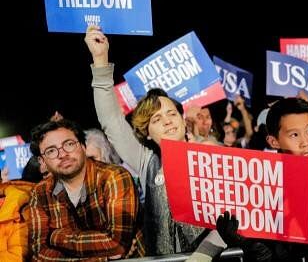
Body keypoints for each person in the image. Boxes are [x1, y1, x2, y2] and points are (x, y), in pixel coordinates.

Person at [85, 26, 226, 258]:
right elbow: (110, 119)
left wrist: (204, 253)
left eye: (171, 113)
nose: (168, 122)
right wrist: (100, 60)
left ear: (182, 118)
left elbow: (237, 213)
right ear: (147, 133)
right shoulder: (147, 162)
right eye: (157, 119)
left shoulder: (211, 155)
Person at [217, 98, 308, 261]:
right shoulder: (262, 178)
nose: (305, 142)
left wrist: (285, 249)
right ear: (273, 141)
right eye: (294, 134)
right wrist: (247, 242)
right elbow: (264, 242)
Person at [28, 119, 144, 261]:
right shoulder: (40, 193)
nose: (62, 154)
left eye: (69, 144)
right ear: (42, 161)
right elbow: (40, 253)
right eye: (51, 150)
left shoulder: (114, 177)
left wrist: (55, 236)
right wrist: (99, 258)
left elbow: (117, 245)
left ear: (83, 146)